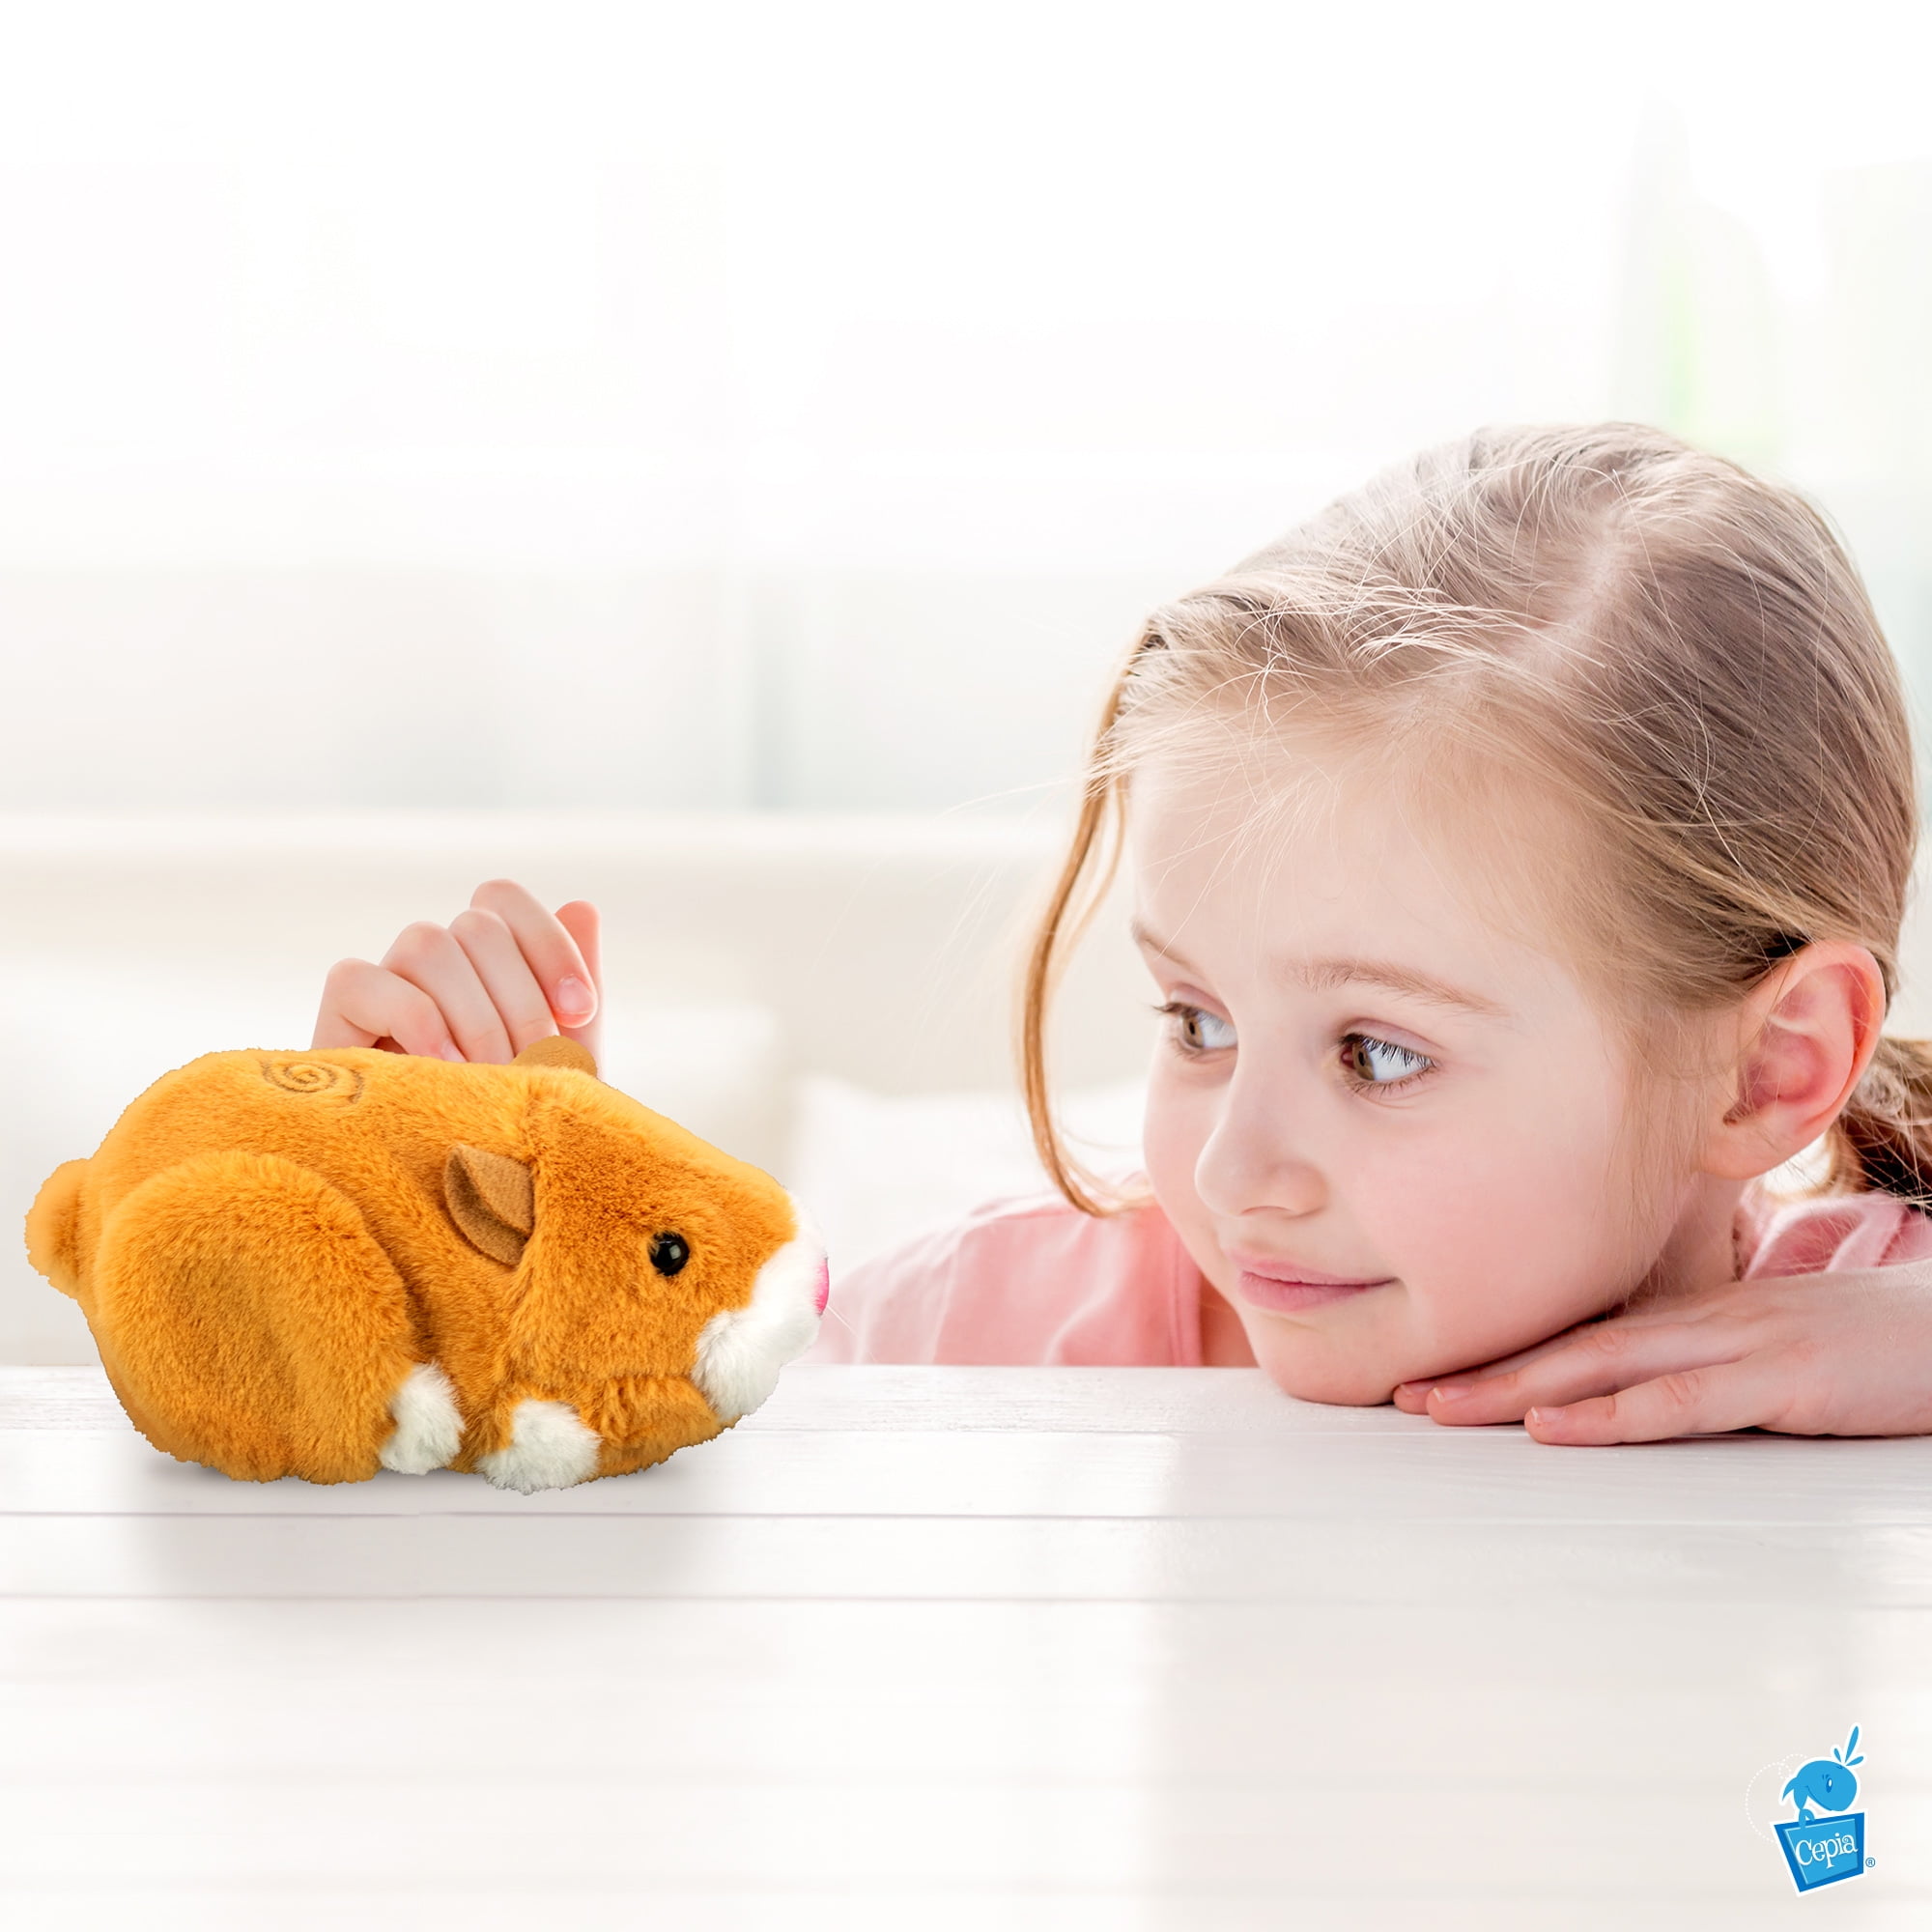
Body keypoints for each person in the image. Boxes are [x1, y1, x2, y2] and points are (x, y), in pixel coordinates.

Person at [312, 424, 1932, 1446]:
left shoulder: (1874, 1329)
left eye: (1378, 1054)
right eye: (1196, 1023)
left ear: (1769, 1071)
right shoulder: (985, 1333)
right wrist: (453, 1236)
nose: (1232, 1172)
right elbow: (590, 1465)